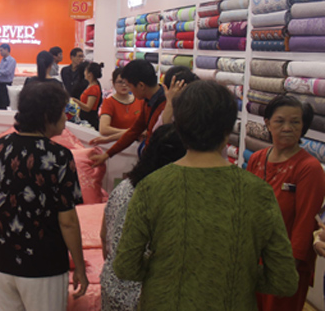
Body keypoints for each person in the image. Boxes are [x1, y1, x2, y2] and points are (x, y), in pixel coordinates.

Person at [114, 80, 299, 309]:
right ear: (228, 129)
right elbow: (284, 280)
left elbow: (125, 266)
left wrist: (169, 271)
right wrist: (235, 274)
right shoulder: (258, 192)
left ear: (179, 127)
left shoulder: (151, 187)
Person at [0, 81, 88, 310]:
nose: (66, 118)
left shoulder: (0, 147)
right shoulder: (60, 156)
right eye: (62, 112)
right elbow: (68, 221)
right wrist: (80, 267)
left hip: (4, 259)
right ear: (47, 116)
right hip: (44, 264)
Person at [247, 95, 325, 311]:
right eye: (280, 121)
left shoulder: (309, 168)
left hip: (285, 262)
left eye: (295, 122)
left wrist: (288, 266)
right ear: (267, 123)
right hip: (254, 256)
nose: (288, 128)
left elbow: (305, 221)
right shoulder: (257, 158)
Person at [100, 123, 186, 311]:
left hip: (111, 287)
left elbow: (105, 237)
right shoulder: (166, 197)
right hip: (143, 297)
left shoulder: (124, 187)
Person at [90, 60, 166, 166]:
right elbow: (135, 130)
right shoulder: (147, 101)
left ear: (141, 86)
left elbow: (152, 139)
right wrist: (107, 153)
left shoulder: (164, 106)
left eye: (130, 86)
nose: (128, 89)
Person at [97, 68, 142, 140]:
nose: (124, 85)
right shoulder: (109, 102)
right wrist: (131, 132)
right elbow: (104, 129)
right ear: (113, 83)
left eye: (127, 82)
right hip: (116, 141)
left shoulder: (139, 100)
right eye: (120, 82)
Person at [72, 62, 103, 129]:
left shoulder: (93, 89)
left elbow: (88, 108)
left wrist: (76, 101)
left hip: (89, 119)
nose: (84, 73)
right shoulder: (90, 85)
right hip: (85, 117)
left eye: (85, 71)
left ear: (90, 74)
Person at [0, 44, 16, 110]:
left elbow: (8, 72)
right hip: (1, 84)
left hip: (7, 85)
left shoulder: (12, 60)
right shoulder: (2, 60)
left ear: (6, 50)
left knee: (5, 103)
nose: (0, 52)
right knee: (0, 103)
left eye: (1, 50)